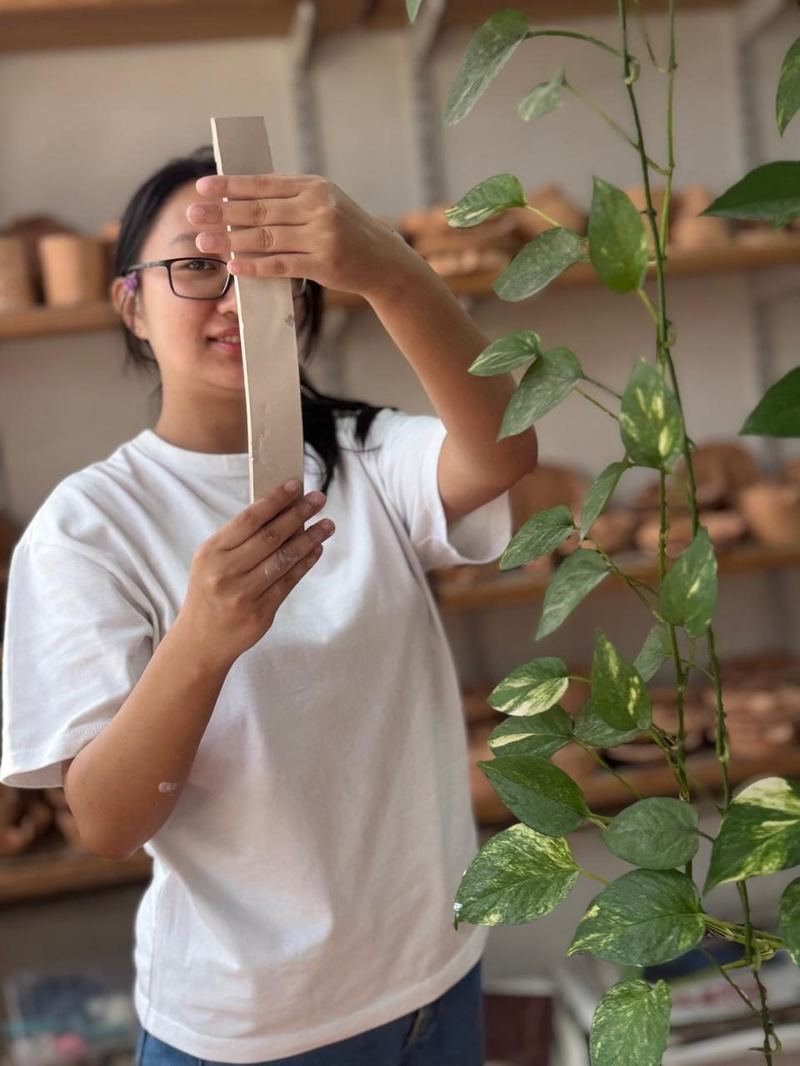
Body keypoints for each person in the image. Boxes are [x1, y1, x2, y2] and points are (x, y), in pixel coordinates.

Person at [0, 146, 538, 1066]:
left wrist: (389, 268)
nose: (234, 294)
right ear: (131, 302)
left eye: (267, 268)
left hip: (433, 979)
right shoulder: (87, 527)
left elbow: (503, 453)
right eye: (197, 265)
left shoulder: (367, 454)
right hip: (248, 1031)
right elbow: (106, 823)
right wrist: (202, 644)